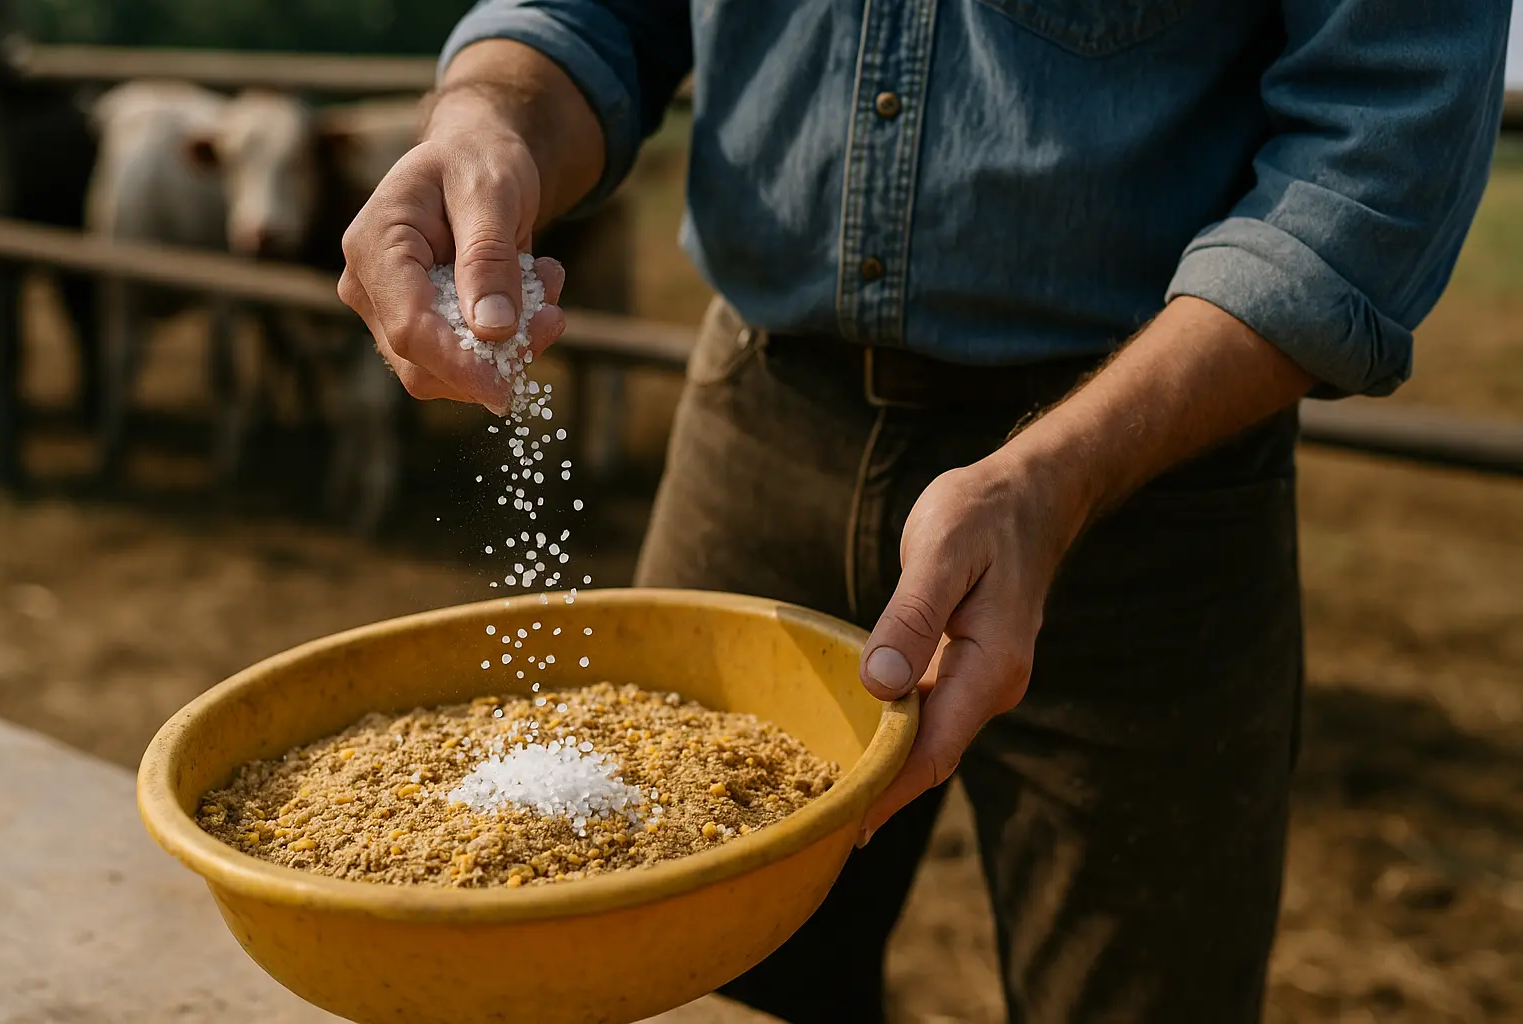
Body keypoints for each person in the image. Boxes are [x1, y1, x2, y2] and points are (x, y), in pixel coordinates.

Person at [337, 3, 1511, 1020]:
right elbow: (589, 12)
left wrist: (1062, 472)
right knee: (686, 980)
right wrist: (490, 114)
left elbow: (1380, 145)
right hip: (758, 417)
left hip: (1145, 474)